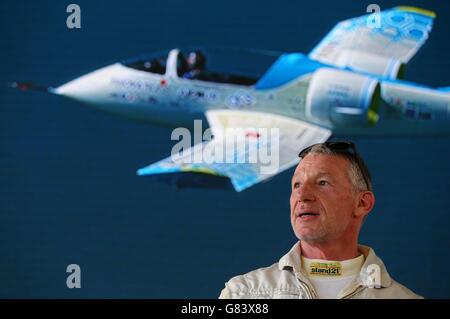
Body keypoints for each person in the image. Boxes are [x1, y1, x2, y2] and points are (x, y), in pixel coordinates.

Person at [219, 141, 422, 299]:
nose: (303, 195)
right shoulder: (242, 293)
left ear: (362, 203)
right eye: (297, 185)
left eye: (322, 183)